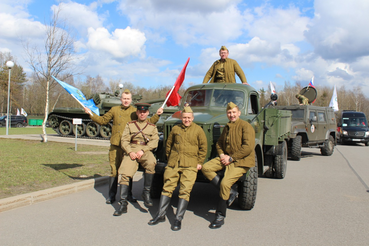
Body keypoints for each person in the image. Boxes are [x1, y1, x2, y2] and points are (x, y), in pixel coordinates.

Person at [84, 90, 163, 205]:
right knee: (114, 170)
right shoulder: (114, 110)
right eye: (124, 99)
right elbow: (103, 120)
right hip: (116, 145)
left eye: (128, 99)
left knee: (128, 170)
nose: (126, 101)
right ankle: (111, 195)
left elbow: (147, 122)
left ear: (131, 100)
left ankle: (129, 195)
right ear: (121, 99)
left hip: (130, 146)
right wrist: (90, 113)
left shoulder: (134, 111)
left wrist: (158, 115)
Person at [148, 106, 207, 231]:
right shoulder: (175, 129)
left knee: (185, 190)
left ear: (192, 118)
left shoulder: (198, 130)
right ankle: (160, 215)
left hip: (190, 164)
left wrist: (199, 162)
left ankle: (178, 219)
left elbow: (203, 148)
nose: (186, 120)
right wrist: (171, 159)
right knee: (167, 187)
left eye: (189, 118)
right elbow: (169, 145)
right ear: (181, 118)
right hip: (174, 163)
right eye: (184, 117)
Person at [201, 102, 255, 229]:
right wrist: (221, 155)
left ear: (239, 113)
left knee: (225, 183)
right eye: (229, 113)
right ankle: (230, 192)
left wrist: (231, 158)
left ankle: (220, 216)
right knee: (206, 168)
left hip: (240, 161)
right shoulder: (227, 127)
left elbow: (248, 147)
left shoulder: (246, 126)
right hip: (227, 158)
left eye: (234, 112)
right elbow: (219, 143)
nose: (231, 115)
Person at [113, 103, 159, 216]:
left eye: (144, 112)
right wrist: (130, 152)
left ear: (148, 113)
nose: (142, 114)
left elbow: (154, 141)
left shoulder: (152, 127)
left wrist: (143, 151)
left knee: (151, 163)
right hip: (132, 149)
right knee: (125, 173)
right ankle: (123, 204)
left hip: (145, 150)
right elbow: (124, 140)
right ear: (137, 113)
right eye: (140, 112)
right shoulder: (130, 125)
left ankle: (146, 193)